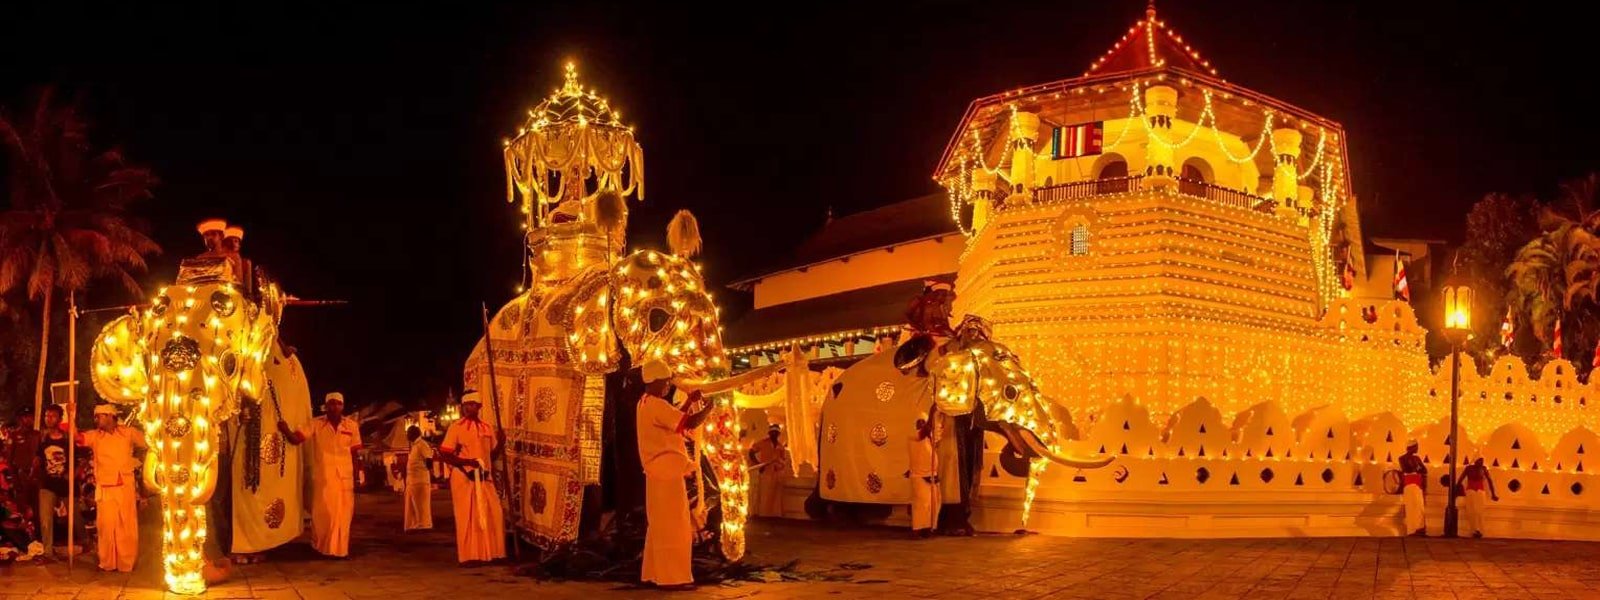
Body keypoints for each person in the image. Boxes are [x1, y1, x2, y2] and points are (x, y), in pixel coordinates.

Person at [636, 361, 714, 590]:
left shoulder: (644, 404)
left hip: (657, 474)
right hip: (667, 474)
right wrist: (708, 408)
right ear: (655, 381)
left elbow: (672, 420)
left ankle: (654, 574)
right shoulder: (657, 405)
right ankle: (673, 578)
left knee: (659, 527)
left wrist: (690, 401)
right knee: (675, 527)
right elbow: (687, 423)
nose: (668, 386)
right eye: (666, 382)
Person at [279, 392, 360, 558]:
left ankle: (340, 550)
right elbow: (296, 439)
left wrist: (359, 476)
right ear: (326, 406)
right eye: (331, 403)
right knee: (324, 514)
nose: (335, 406)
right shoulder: (315, 424)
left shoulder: (351, 426)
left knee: (344, 515)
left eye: (338, 403)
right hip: (324, 477)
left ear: (342, 406)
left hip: (346, 477)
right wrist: (285, 429)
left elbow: (355, 453)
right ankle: (321, 547)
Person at [76, 404, 146, 572]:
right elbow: (77, 438)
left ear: (109, 416)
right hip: (105, 487)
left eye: (98, 416)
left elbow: (149, 443)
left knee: (126, 525)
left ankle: (126, 564)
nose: (96, 420)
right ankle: (107, 562)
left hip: (125, 484)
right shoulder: (95, 436)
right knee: (106, 526)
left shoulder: (128, 433)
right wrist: (71, 416)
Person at [436, 393, 505, 564]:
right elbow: (445, 454)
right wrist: (468, 463)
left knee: (493, 513)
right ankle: (469, 556)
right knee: (467, 517)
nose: (468, 407)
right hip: (464, 478)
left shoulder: (487, 427)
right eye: (466, 404)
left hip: (484, 477)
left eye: (472, 404)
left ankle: (494, 553)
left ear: (479, 406)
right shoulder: (456, 427)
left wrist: (502, 442)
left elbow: (492, 454)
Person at [34, 405, 70, 557]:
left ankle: (85, 541)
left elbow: (77, 459)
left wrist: (71, 475)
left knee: (73, 517)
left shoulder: (67, 439)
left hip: (65, 484)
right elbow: (37, 458)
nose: (49, 419)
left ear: (60, 419)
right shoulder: (41, 438)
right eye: (47, 416)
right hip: (47, 484)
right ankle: (48, 552)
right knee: (45, 519)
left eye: (52, 416)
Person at [907, 414, 941, 539]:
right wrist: (933, 411)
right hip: (919, 476)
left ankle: (928, 529)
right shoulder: (914, 436)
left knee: (933, 504)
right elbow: (924, 431)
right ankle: (917, 530)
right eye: (920, 422)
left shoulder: (929, 439)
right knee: (921, 504)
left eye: (924, 422)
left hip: (932, 476)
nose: (922, 425)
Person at [747, 425, 787, 518]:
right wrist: (758, 464)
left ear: (778, 434)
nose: (774, 434)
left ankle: (774, 515)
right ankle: (764, 514)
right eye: (772, 432)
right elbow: (751, 452)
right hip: (766, 471)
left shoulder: (780, 446)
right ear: (769, 433)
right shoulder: (763, 443)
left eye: (776, 433)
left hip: (776, 472)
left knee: (776, 494)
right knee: (765, 494)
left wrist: (780, 466)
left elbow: (783, 459)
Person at [1455, 456, 1498, 538]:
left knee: (1480, 511)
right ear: (1475, 461)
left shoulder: (1484, 469)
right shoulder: (1468, 468)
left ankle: (1480, 530)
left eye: (1483, 460)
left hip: (1480, 491)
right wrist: (1457, 491)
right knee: (1471, 511)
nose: (1482, 462)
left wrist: (1493, 494)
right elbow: (1460, 479)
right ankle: (1474, 530)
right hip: (1470, 491)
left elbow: (1490, 481)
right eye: (1480, 460)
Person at [402, 426, 434, 532]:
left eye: (408, 433)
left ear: (414, 434)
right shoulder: (414, 446)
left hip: (421, 480)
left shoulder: (422, 444)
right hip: (412, 480)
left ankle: (424, 524)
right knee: (412, 505)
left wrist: (427, 472)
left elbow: (429, 460)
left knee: (422, 505)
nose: (407, 435)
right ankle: (414, 524)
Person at [1399, 440, 1427, 536]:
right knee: (1411, 506)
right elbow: (1406, 469)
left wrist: (1417, 467)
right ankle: (1412, 530)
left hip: (1418, 484)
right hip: (1409, 483)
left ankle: (1420, 529)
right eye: (1416, 447)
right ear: (1411, 447)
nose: (1417, 449)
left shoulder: (1417, 458)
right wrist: (1416, 467)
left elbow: (1424, 470)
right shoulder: (1402, 458)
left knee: (1419, 507)